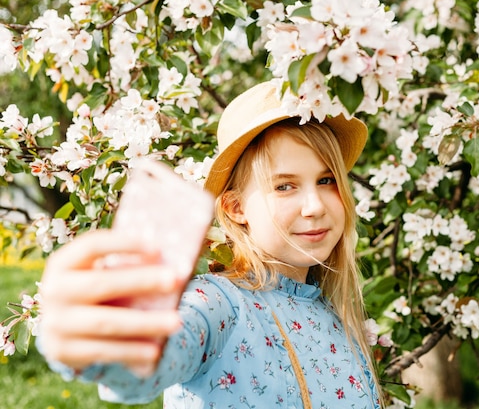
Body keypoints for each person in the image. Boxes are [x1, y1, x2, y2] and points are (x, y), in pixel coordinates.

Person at [39, 81, 382, 408]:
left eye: (326, 180)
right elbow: (159, 355)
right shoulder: (220, 305)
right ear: (236, 208)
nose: (315, 206)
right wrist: (102, 346)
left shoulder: (337, 314)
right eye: (284, 186)